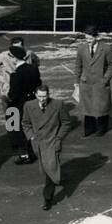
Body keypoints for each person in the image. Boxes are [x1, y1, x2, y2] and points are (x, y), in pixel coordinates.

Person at [23, 82, 67, 210]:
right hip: (38, 143)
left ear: (49, 94)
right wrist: (31, 136)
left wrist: (59, 138)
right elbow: (25, 123)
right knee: (47, 168)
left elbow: (66, 123)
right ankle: (55, 180)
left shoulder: (58, 105)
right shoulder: (29, 105)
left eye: (45, 96)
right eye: (40, 96)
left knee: (50, 169)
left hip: (52, 141)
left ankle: (47, 198)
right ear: (35, 95)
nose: (42, 99)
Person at [73, 25, 112, 136]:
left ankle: (102, 128)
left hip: (100, 83)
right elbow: (78, 66)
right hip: (86, 83)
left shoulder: (106, 48)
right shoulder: (81, 48)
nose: (88, 41)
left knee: (102, 107)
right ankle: (89, 129)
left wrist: (105, 79)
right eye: (86, 39)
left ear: (96, 37)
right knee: (87, 107)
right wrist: (76, 82)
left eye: (90, 39)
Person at [6, 46, 42, 164]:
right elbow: (38, 84)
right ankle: (33, 151)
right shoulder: (33, 69)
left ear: (14, 58)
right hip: (32, 102)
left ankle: (24, 154)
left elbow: (13, 94)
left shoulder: (15, 74)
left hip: (19, 105)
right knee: (31, 127)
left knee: (18, 130)